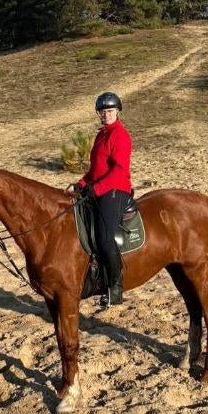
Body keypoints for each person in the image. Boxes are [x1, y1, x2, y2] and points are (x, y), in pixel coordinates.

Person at [77, 91, 132, 307]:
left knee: (104, 236)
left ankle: (116, 288)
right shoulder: (102, 135)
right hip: (99, 188)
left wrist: (97, 188)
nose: (105, 115)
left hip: (116, 190)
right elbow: (96, 169)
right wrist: (82, 183)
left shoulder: (120, 136)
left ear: (117, 111)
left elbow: (119, 171)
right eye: (102, 112)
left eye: (109, 111)